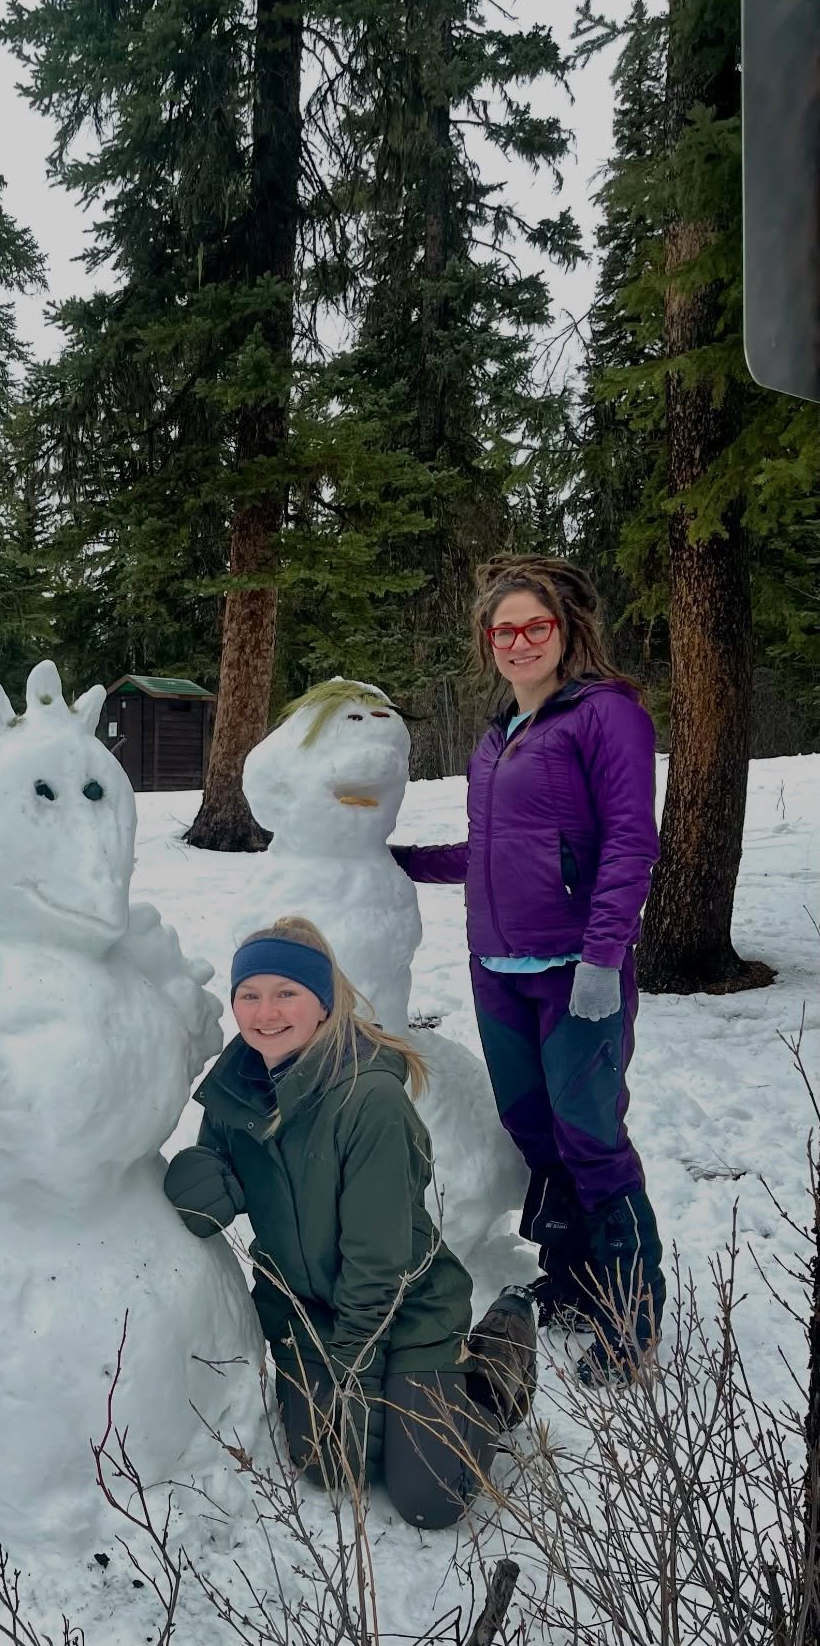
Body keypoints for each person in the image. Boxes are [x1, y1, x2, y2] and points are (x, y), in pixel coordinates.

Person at [163, 917, 537, 1529]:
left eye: (287, 992)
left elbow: (378, 1266)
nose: (266, 1012)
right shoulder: (238, 1090)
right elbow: (211, 1189)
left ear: (323, 1001)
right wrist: (193, 1180)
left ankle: (498, 1361)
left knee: (430, 1499)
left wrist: (353, 1378)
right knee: (331, 1467)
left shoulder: (369, 1101)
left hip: (403, 1306)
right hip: (309, 1314)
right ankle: (406, 1402)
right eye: (249, 995)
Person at [391, 555, 665, 1385]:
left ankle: (632, 1310)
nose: (517, 641)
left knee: (589, 1127)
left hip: (576, 966)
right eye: (502, 629)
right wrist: (393, 860)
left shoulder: (605, 715)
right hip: (498, 966)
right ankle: (576, 1278)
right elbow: (490, 852)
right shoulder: (497, 732)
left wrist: (602, 955)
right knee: (535, 1125)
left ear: (565, 629)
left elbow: (629, 841)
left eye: (533, 626)